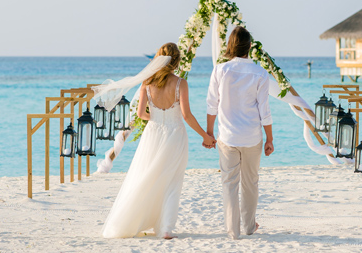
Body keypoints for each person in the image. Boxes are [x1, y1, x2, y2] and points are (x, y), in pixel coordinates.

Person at [102, 43, 215, 239]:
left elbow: (140, 114)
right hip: (175, 135)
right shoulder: (181, 84)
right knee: (172, 180)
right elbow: (186, 116)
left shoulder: (147, 83)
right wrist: (206, 136)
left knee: (148, 176)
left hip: (152, 134)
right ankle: (165, 228)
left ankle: (139, 221)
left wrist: (156, 118)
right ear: (177, 61)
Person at [205, 26, 274, 240]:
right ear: (250, 46)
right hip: (252, 136)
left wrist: (209, 132)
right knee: (251, 182)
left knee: (229, 182)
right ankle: (249, 226)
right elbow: (264, 110)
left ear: (230, 46)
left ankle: (233, 230)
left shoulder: (220, 70)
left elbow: (211, 104)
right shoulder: (260, 74)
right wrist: (270, 139)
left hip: (227, 137)